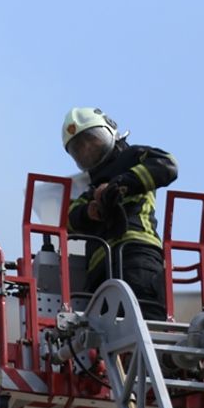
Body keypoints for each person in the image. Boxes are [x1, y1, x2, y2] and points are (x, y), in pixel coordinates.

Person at [62, 107, 178, 320]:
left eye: (93, 139)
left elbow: (166, 165)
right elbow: (68, 219)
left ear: (110, 131)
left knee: (146, 321)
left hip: (136, 256)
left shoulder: (134, 159)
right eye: (79, 149)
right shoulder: (89, 192)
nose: (88, 149)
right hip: (99, 274)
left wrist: (120, 185)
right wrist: (89, 212)